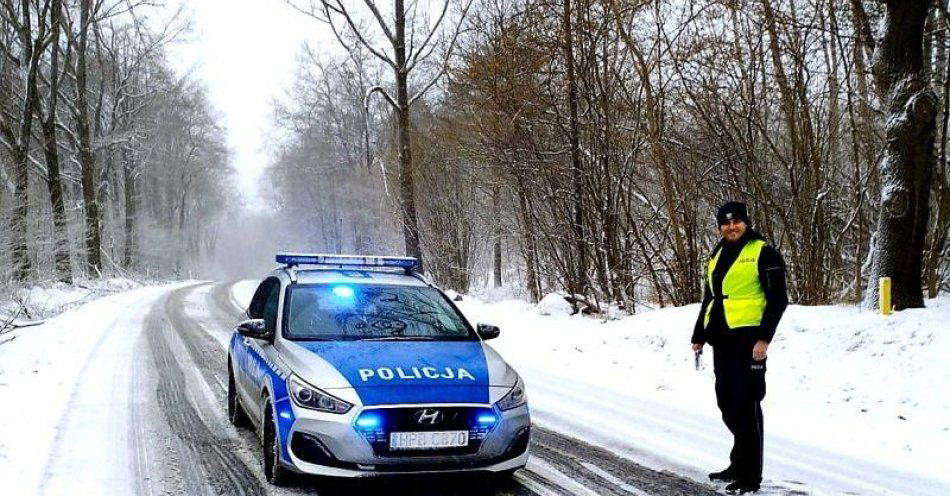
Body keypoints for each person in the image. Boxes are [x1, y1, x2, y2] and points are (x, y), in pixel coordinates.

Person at [691, 201, 788, 494]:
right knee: (728, 405)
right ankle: (737, 463)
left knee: (747, 406)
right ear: (720, 226)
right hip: (721, 339)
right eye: (726, 223)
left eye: (737, 222)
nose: (731, 227)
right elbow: (710, 297)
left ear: (746, 223)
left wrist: (764, 339)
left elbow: (778, 299)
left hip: (748, 341)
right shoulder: (718, 252)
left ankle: (750, 476)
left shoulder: (763, 252)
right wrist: (698, 334)